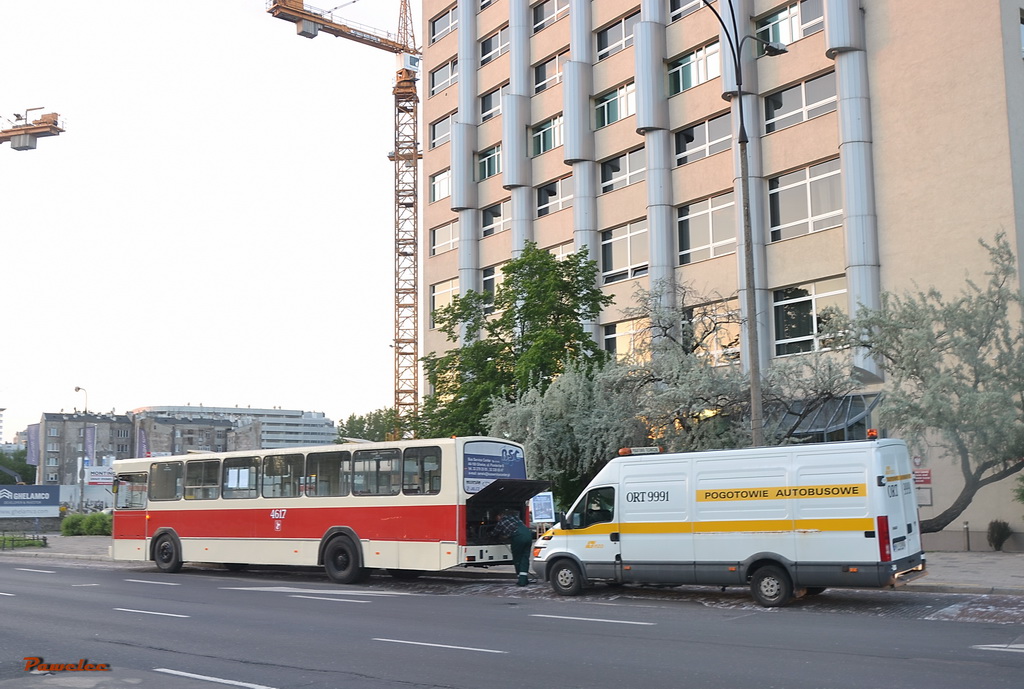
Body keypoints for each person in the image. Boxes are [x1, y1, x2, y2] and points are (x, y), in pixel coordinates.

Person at [493, 508, 534, 586]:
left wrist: (491, 535)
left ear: (499, 516)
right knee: (525, 558)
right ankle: (524, 579)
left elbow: (495, 533)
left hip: (518, 538)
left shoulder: (501, 522)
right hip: (528, 535)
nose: (496, 520)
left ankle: (521, 581)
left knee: (518, 559)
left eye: (496, 518)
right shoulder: (514, 517)